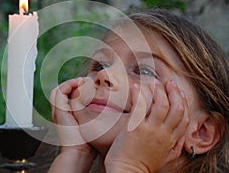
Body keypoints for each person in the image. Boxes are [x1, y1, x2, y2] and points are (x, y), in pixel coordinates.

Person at [48, 9, 229, 173]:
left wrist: (128, 167)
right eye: (99, 65)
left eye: (143, 71)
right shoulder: (71, 160)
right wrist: (74, 155)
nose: (105, 74)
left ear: (201, 132)